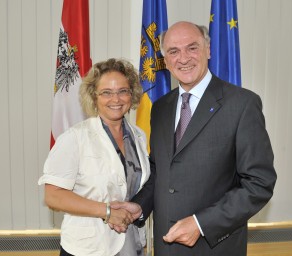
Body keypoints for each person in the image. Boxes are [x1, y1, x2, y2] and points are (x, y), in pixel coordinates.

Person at [130, 21, 277, 255]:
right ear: (165, 60)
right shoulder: (160, 108)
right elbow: (160, 170)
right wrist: (137, 207)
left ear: (208, 50)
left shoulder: (242, 104)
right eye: (173, 51)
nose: (183, 58)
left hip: (215, 247)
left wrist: (201, 223)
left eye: (192, 47)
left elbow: (259, 183)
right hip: (166, 246)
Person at [38, 58, 150, 256]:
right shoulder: (75, 138)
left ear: (131, 95)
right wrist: (107, 212)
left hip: (131, 244)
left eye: (122, 91)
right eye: (106, 92)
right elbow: (53, 196)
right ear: (94, 96)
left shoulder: (139, 136)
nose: (115, 100)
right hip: (88, 248)